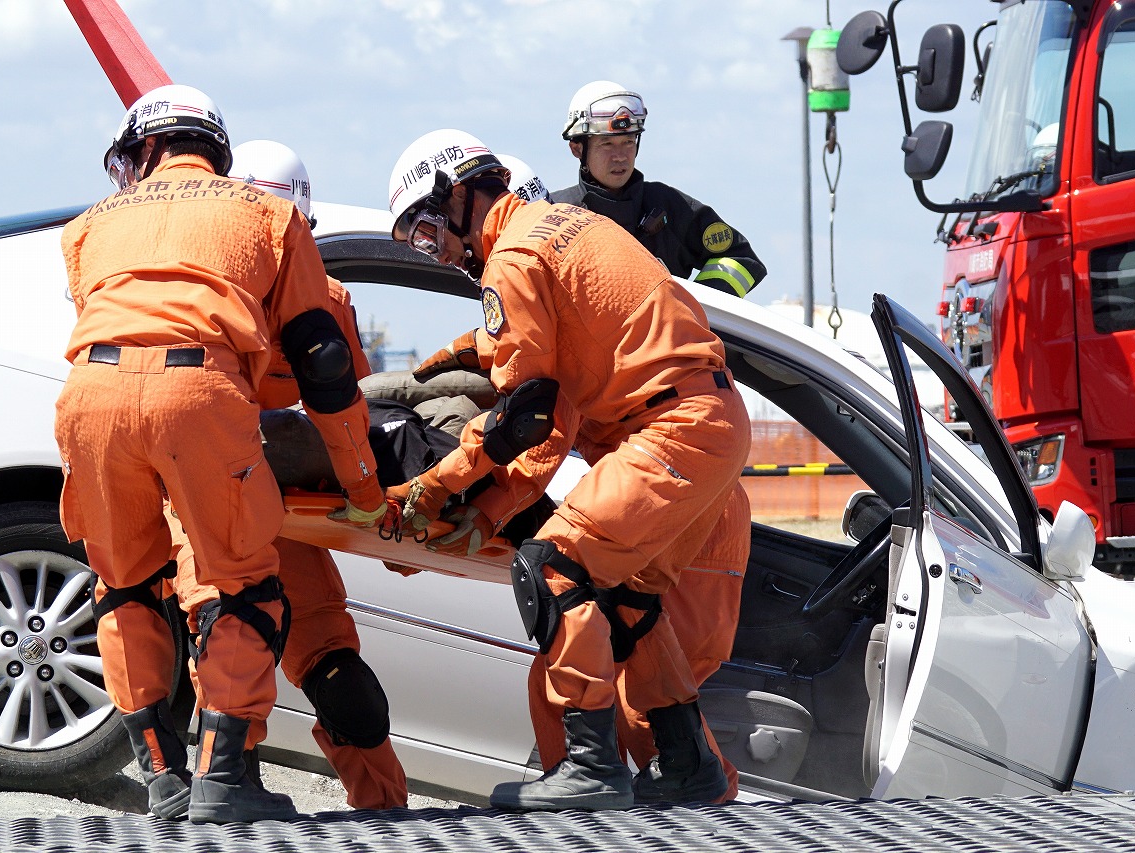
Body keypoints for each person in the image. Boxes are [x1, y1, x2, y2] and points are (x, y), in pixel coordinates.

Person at [383, 129, 752, 811]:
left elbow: (524, 415)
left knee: (553, 564)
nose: (443, 255)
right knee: (628, 595)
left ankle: (591, 766)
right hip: (706, 420)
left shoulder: (513, 257)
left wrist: (428, 490)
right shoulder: (562, 228)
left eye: (432, 234)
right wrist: (487, 512)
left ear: (461, 193)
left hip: (670, 426)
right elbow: (552, 428)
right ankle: (688, 763)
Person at [53, 85, 384, 825]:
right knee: (241, 588)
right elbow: (323, 359)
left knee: (124, 583)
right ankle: (223, 776)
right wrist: (361, 481)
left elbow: (113, 316)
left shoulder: (86, 226)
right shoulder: (269, 216)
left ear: (145, 150)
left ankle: (162, 775)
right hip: (200, 393)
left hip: (89, 394)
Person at [166, 139, 409, 810]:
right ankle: (218, 789)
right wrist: (373, 501)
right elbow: (349, 414)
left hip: (237, 506)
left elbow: (348, 412)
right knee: (256, 647)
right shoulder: (319, 298)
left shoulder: (191, 286)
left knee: (315, 669)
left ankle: (214, 789)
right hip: (238, 505)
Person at [549, 81, 767, 299]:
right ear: (577, 149)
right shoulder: (553, 214)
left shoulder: (670, 206)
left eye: (628, 141)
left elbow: (741, 260)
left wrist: (693, 308)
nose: (621, 156)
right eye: (607, 144)